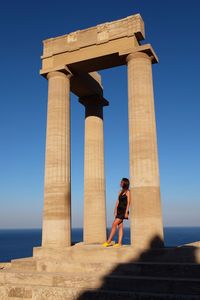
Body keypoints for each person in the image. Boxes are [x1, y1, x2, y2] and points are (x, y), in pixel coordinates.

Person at [102, 177, 131, 247]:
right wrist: (115, 209)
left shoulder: (128, 192)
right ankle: (120, 243)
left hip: (123, 211)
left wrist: (126, 212)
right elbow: (118, 201)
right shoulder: (120, 191)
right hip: (119, 210)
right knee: (120, 226)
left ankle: (108, 241)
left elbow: (129, 202)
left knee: (113, 224)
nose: (120, 183)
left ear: (125, 183)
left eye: (121, 182)